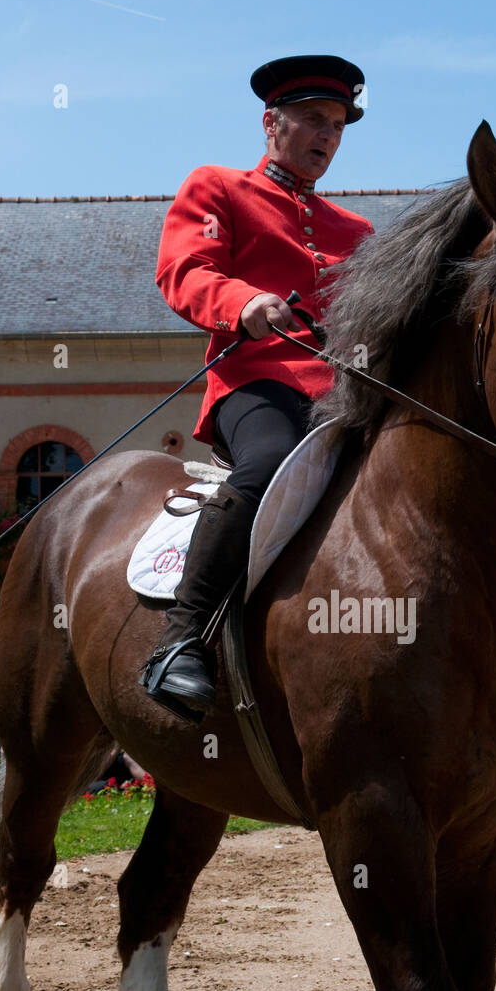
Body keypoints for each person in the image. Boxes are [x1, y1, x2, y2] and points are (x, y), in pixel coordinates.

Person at [142, 54, 373, 720]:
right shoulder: (217, 188)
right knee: (269, 463)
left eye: (336, 125)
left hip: (344, 397)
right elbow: (183, 268)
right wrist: (239, 302)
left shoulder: (356, 232)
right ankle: (181, 640)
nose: (326, 135)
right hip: (256, 384)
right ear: (271, 123)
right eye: (311, 119)